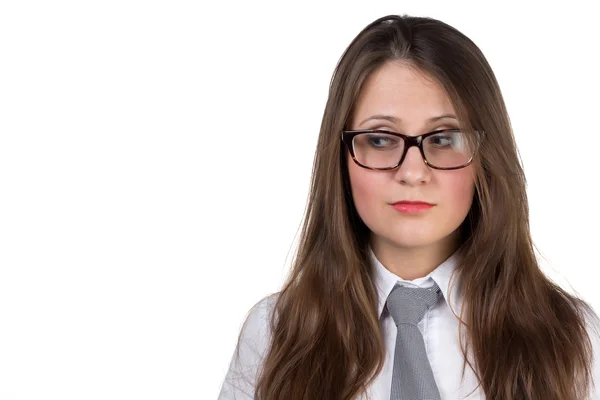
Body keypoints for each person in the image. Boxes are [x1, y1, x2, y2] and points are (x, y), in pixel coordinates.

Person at [217, 14, 600, 400]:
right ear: (341, 157)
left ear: (486, 158)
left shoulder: (572, 336)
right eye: (381, 140)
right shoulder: (274, 334)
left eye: (444, 137)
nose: (413, 172)